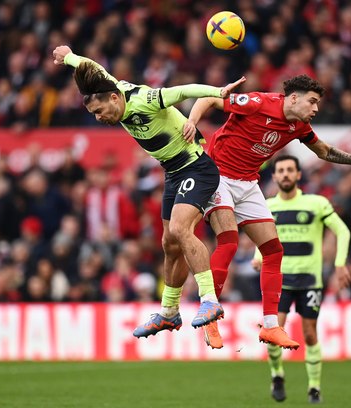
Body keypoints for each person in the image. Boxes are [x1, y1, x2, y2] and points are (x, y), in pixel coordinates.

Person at [182, 74, 351, 350]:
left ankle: (271, 326)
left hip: (248, 182)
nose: (316, 109)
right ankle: (210, 314)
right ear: (294, 98)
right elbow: (209, 98)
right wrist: (191, 121)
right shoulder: (258, 102)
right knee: (229, 240)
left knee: (273, 251)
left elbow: (324, 151)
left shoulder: (299, 126)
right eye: (312, 102)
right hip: (218, 174)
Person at [52, 45, 245, 335]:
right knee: (169, 244)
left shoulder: (144, 99)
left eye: (100, 111)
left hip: (196, 166)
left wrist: (218, 91)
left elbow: (181, 91)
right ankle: (169, 312)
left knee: (181, 230)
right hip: (172, 172)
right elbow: (90, 66)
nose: (99, 117)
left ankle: (209, 300)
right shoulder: (110, 87)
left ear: (114, 99)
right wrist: (68, 57)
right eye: (93, 114)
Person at [253, 155, 351, 404]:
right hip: (280, 280)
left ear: (298, 175)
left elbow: (342, 230)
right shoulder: (267, 206)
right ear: (274, 176)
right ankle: (277, 375)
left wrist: (340, 264)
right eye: (281, 171)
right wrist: (257, 255)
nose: (285, 174)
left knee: (309, 334)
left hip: (309, 280)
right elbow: (261, 236)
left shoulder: (316, 203)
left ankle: (314, 387)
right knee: (274, 331)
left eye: (290, 170)